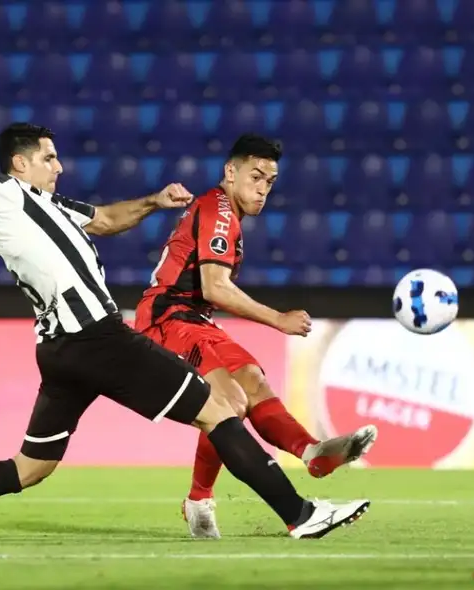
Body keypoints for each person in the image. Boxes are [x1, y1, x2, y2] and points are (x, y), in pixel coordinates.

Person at [0, 122, 369, 542]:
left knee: (29, 468)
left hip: (60, 352)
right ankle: (299, 515)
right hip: (98, 338)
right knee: (220, 410)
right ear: (20, 163)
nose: (59, 167)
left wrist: (153, 202)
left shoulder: (53, 205)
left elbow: (106, 219)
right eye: (49, 158)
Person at [135, 134, 378, 539]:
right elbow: (215, 286)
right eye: (256, 176)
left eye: (270, 181)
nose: (263, 188)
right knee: (227, 401)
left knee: (251, 379)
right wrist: (278, 319)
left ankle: (311, 452)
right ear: (230, 172)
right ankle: (225, 502)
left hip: (194, 319)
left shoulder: (226, 214)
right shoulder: (220, 211)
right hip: (166, 319)